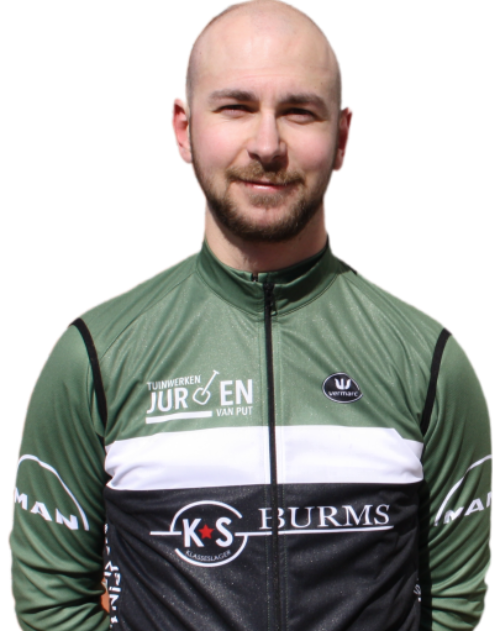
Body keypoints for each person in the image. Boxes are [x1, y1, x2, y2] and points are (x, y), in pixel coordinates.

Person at [9, 1, 492, 629]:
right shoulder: (93, 357)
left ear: (343, 138)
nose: (267, 146)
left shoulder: (430, 362)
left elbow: (455, 606)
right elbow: (51, 605)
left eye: (299, 112)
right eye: (236, 107)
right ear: (183, 128)